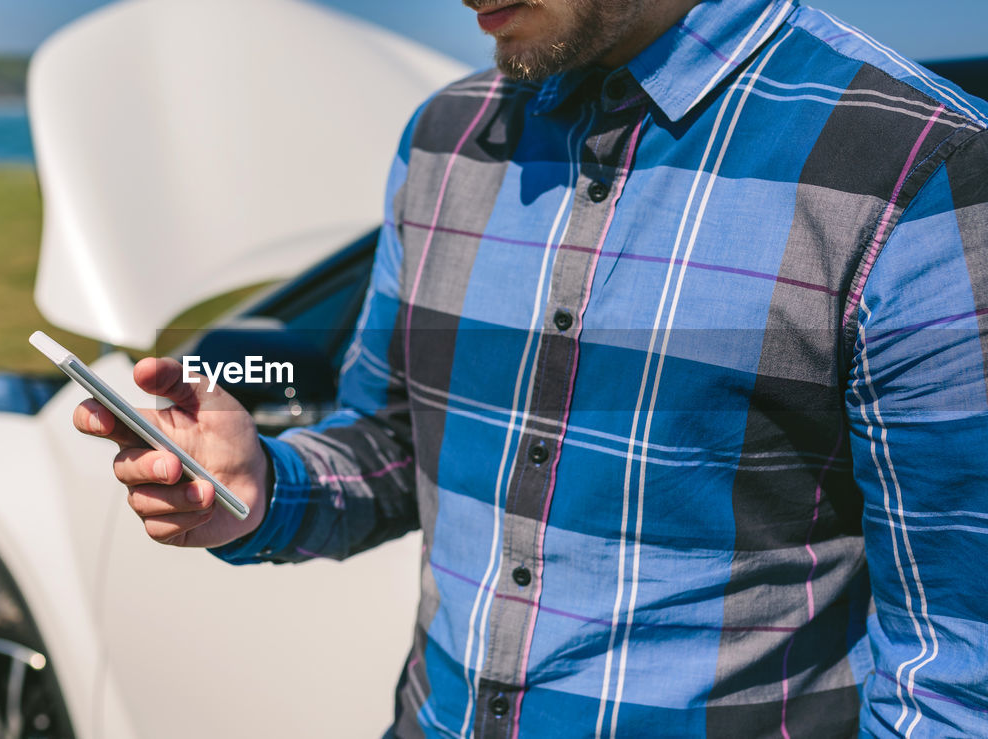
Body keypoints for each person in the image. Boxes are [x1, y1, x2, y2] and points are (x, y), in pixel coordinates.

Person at [74, 0, 988, 735]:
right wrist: (260, 485)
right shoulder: (444, 138)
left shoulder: (917, 167)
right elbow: (396, 440)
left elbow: (952, 667)